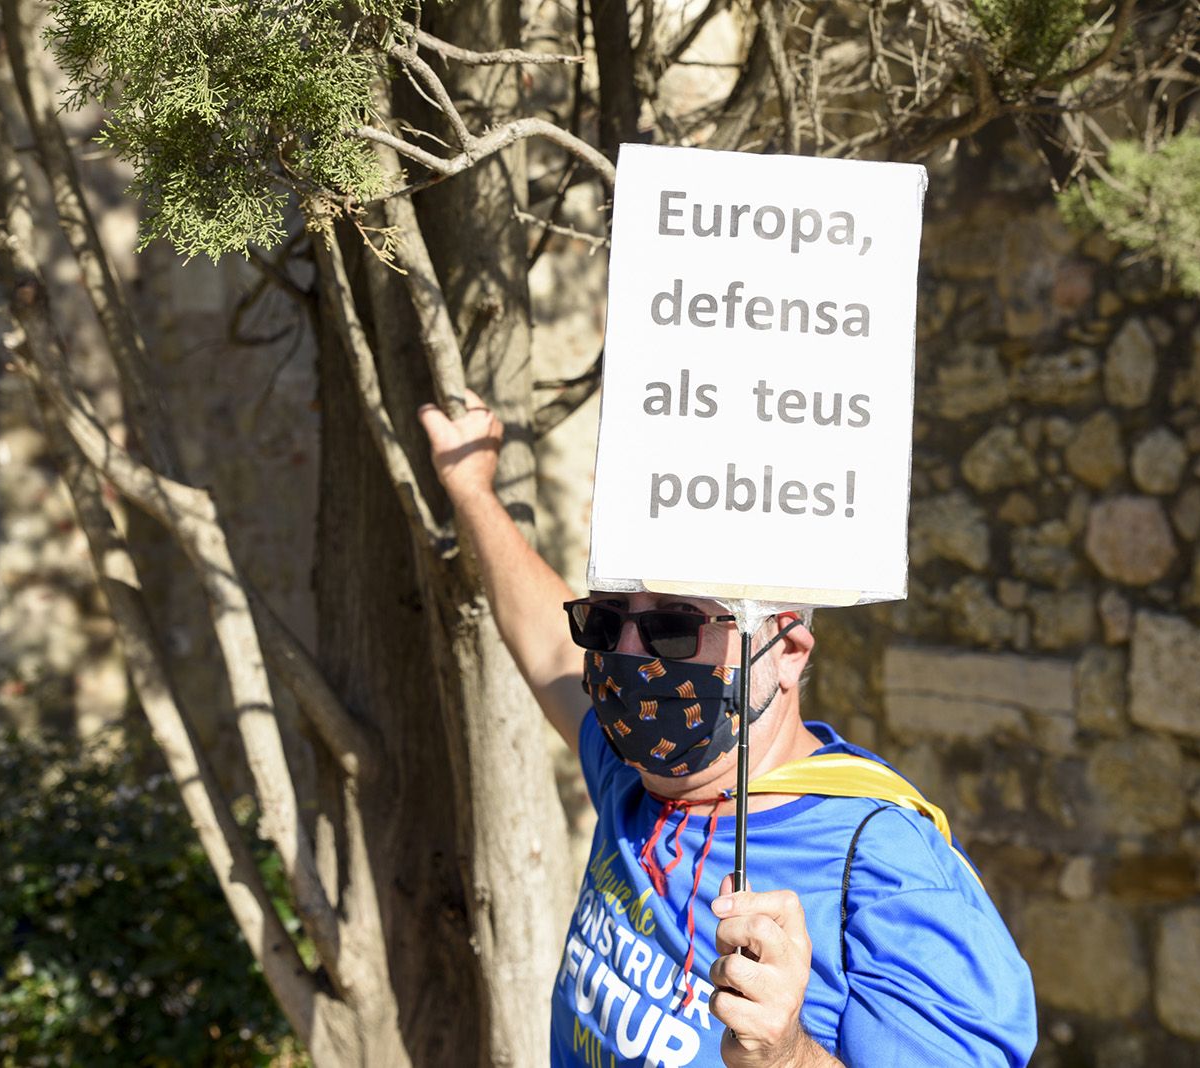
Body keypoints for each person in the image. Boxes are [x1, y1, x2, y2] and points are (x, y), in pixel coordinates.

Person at [418, 391, 1036, 1068]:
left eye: (676, 625)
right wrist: (471, 488)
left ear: (789, 651)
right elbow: (547, 646)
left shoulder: (887, 868)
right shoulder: (640, 778)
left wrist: (786, 1053)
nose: (628, 655)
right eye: (605, 618)